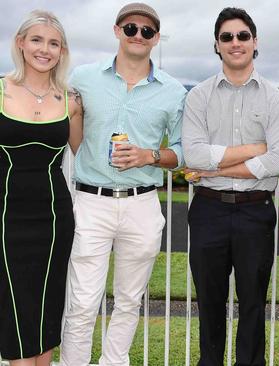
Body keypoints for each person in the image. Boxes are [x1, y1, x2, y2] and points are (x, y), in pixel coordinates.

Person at [59, 3, 186, 365]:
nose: (138, 36)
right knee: (82, 301)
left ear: (156, 38)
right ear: (117, 31)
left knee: (129, 301)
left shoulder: (174, 91)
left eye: (147, 31)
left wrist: (150, 156)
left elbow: (182, 152)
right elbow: (72, 137)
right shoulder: (83, 78)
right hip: (90, 201)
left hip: (142, 204)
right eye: (131, 28)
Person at [181, 7, 279, 366]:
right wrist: (254, 151)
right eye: (227, 37)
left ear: (255, 42)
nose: (235, 42)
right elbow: (194, 156)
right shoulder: (198, 95)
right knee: (209, 304)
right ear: (217, 45)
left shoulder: (275, 98)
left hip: (255, 212)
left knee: (254, 303)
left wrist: (216, 164)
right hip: (208, 209)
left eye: (242, 35)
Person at [0, 10, 82, 366]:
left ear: (62, 51)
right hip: (5, 221)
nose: (44, 49)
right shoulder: (0, 90)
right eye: (36, 39)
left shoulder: (71, 101)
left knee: (47, 307)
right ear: (20, 43)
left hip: (54, 220)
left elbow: (87, 155)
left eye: (53, 43)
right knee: (15, 313)